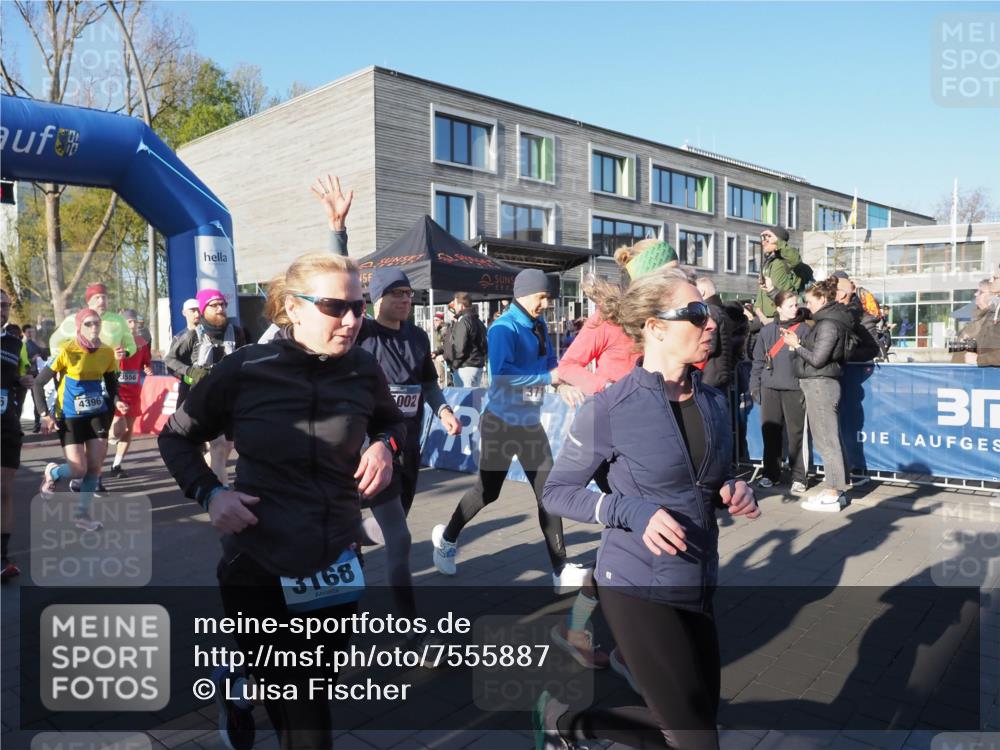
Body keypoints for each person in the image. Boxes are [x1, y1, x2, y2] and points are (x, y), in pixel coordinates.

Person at [158, 252, 405, 750]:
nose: (353, 320)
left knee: (312, 687)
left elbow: (390, 419)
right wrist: (210, 494)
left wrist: (384, 445)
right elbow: (175, 438)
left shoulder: (362, 368)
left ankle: (239, 685)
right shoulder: (246, 368)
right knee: (304, 714)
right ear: (293, 308)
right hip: (259, 560)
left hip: (334, 557)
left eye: (359, 307)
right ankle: (251, 685)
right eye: (336, 307)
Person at [539, 267, 760, 750]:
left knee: (690, 719)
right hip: (636, 584)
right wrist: (631, 511)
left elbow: (709, 478)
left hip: (698, 579)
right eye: (696, 314)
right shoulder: (609, 408)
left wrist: (734, 488)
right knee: (697, 739)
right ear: (656, 327)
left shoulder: (715, 402)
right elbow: (556, 492)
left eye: (710, 313)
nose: (711, 324)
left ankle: (568, 726)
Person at [431, 268, 589, 592]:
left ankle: (560, 570)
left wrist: (561, 385)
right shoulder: (503, 328)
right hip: (500, 425)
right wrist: (550, 380)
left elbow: (547, 366)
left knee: (549, 494)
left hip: (530, 424)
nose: (545, 303)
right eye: (541, 296)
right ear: (523, 293)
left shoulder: (539, 324)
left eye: (548, 297)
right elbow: (502, 377)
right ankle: (447, 539)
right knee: (487, 492)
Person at [356, 267, 462, 629]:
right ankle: (410, 628)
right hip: (367, 449)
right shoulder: (361, 333)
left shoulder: (417, 337)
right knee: (399, 539)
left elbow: (428, 385)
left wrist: (444, 410)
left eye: (408, 294)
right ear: (377, 298)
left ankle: (345, 534)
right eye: (397, 293)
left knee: (390, 524)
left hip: (407, 446)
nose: (405, 299)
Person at [34, 308, 124, 531]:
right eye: (89, 324)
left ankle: (82, 516)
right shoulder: (67, 349)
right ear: (79, 327)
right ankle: (53, 472)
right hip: (70, 415)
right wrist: (45, 414)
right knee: (77, 470)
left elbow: (112, 385)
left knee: (94, 467)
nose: (94, 328)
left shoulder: (105, 352)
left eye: (97, 323)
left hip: (97, 414)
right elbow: (38, 383)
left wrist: (116, 406)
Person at [781, 278, 854, 512]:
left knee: (826, 440)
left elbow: (818, 359)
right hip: (819, 384)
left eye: (810, 301)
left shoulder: (828, 324)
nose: (807, 306)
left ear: (822, 299)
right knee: (826, 439)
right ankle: (834, 488)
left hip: (821, 385)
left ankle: (834, 490)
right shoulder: (828, 322)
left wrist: (797, 345)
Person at [164, 288, 248, 484]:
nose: (220, 308)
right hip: (201, 396)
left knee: (225, 447)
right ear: (203, 310)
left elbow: (245, 355)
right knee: (216, 445)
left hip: (229, 397)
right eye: (214, 305)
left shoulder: (236, 332)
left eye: (222, 304)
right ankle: (220, 490)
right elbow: (169, 360)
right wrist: (190, 373)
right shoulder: (191, 335)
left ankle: (211, 479)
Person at [750, 290, 810, 494]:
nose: (796, 308)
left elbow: (810, 358)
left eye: (796, 304)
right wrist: (754, 386)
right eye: (791, 305)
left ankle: (799, 477)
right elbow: (757, 361)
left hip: (794, 388)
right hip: (769, 388)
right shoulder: (767, 332)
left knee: (796, 434)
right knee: (771, 433)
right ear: (778, 308)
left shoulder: (804, 329)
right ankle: (770, 474)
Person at [2, 290, 34, 581]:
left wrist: (23, 379)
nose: (2, 310)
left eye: (5, 306)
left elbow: (14, 374)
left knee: (4, 492)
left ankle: (2, 557)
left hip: (6, 425)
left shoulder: (13, 341)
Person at [108, 310, 153, 478]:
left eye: (135, 322)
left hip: (134, 391)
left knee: (128, 429)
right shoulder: (114, 341)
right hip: (117, 390)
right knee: (118, 427)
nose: (133, 326)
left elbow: (145, 362)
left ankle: (116, 465)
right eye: (130, 322)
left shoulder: (141, 342)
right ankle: (106, 439)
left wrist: (147, 367)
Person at [49, 283, 136, 361]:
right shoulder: (73, 319)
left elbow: (131, 346)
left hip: (110, 374)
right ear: (88, 301)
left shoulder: (118, 320)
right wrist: (60, 364)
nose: (101, 301)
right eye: (97, 297)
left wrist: (125, 353)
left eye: (104, 297)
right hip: (80, 375)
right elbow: (54, 341)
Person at [753, 227, 805, 320]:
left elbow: (795, 259)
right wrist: (757, 309)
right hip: (765, 318)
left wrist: (778, 242)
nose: (763, 243)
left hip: (782, 317)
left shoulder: (785, 260)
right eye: (763, 240)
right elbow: (763, 290)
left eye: (768, 240)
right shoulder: (768, 262)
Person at [694, 277, 735, 391]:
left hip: (710, 374)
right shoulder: (721, 310)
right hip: (720, 371)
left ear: (701, 292)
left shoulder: (709, 311)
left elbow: (710, 346)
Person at [832, 271, 881, 362]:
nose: (828, 294)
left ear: (841, 294)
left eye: (832, 291)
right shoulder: (831, 311)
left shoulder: (861, 317)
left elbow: (872, 349)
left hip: (854, 368)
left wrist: (843, 354)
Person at [446, 291, 488, 387]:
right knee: (474, 399)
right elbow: (485, 345)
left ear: (461, 306)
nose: (454, 307)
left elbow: (460, 347)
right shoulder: (478, 321)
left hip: (466, 367)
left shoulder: (464, 321)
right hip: (476, 365)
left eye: (455, 304)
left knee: (465, 400)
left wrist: (455, 364)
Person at [952, 279, 993, 363]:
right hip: (960, 372)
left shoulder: (994, 321)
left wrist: (978, 359)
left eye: (981, 292)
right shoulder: (975, 320)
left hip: (979, 374)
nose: (975, 294)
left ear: (993, 296)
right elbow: (957, 352)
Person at [21, 324, 45, 432]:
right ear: (24, 333)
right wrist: (32, 359)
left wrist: (41, 351)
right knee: (20, 400)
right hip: (23, 376)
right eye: (28, 332)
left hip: (35, 375)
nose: (31, 334)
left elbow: (44, 356)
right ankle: (16, 424)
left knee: (37, 400)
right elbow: (20, 360)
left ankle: (37, 423)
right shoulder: (22, 344)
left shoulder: (37, 344)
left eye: (32, 331)